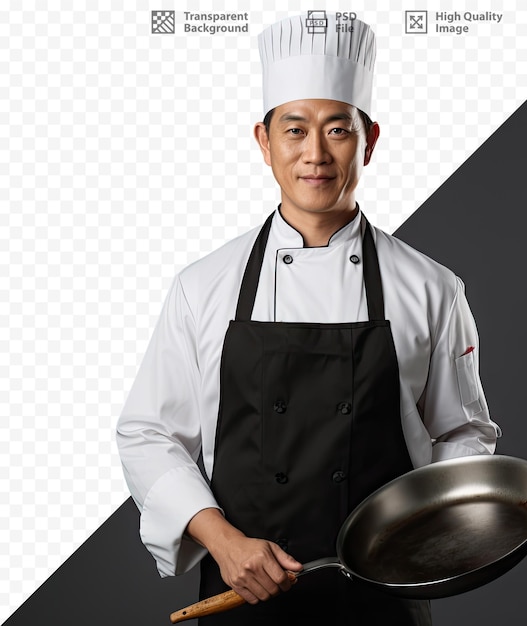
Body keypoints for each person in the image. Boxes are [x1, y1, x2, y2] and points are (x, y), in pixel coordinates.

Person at [116, 11, 500, 626]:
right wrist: (223, 542)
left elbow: (463, 434)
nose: (314, 154)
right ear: (264, 142)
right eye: (294, 130)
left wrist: (424, 533)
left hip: (383, 601)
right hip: (240, 597)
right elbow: (148, 435)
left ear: (369, 141)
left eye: (337, 130)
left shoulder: (431, 289)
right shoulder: (202, 288)